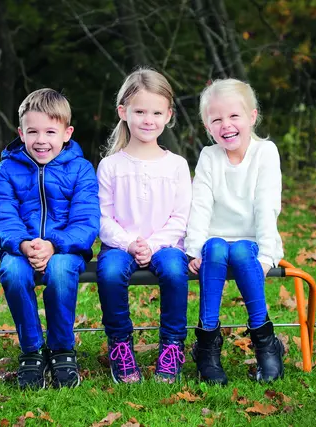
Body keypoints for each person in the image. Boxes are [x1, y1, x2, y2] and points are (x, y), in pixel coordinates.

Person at [0, 88, 99, 389]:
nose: (41, 140)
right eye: (32, 131)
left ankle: (62, 349)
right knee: (13, 272)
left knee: (60, 271)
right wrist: (23, 244)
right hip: (20, 249)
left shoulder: (80, 169)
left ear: (67, 133)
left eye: (50, 132)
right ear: (20, 133)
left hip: (65, 249)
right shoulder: (7, 169)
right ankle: (32, 350)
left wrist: (53, 244)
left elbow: (87, 220)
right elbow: (1, 214)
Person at [185, 78, 285, 385]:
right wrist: (194, 249)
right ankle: (206, 346)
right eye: (216, 119)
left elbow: (266, 206)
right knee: (215, 247)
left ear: (252, 116)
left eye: (233, 116)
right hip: (214, 243)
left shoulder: (265, 152)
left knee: (241, 250)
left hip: (253, 242)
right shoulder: (209, 156)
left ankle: (265, 342)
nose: (226, 125)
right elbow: (200, 204)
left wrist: (266, 256)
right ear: (207, 126)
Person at [96, 68, 192, 384]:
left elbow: (180, 217)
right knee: (110, 272)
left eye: (156, 113)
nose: (148, 120)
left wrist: (152, 244)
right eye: (139, 112)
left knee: (175, 271)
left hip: (166, 246)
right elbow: (103, 218)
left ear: (168, 116)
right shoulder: (110, 166)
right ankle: (120, 345)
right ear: (123, 112)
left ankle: (172, 346)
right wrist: (129, 243)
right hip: (120, 246)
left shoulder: (176, 165)